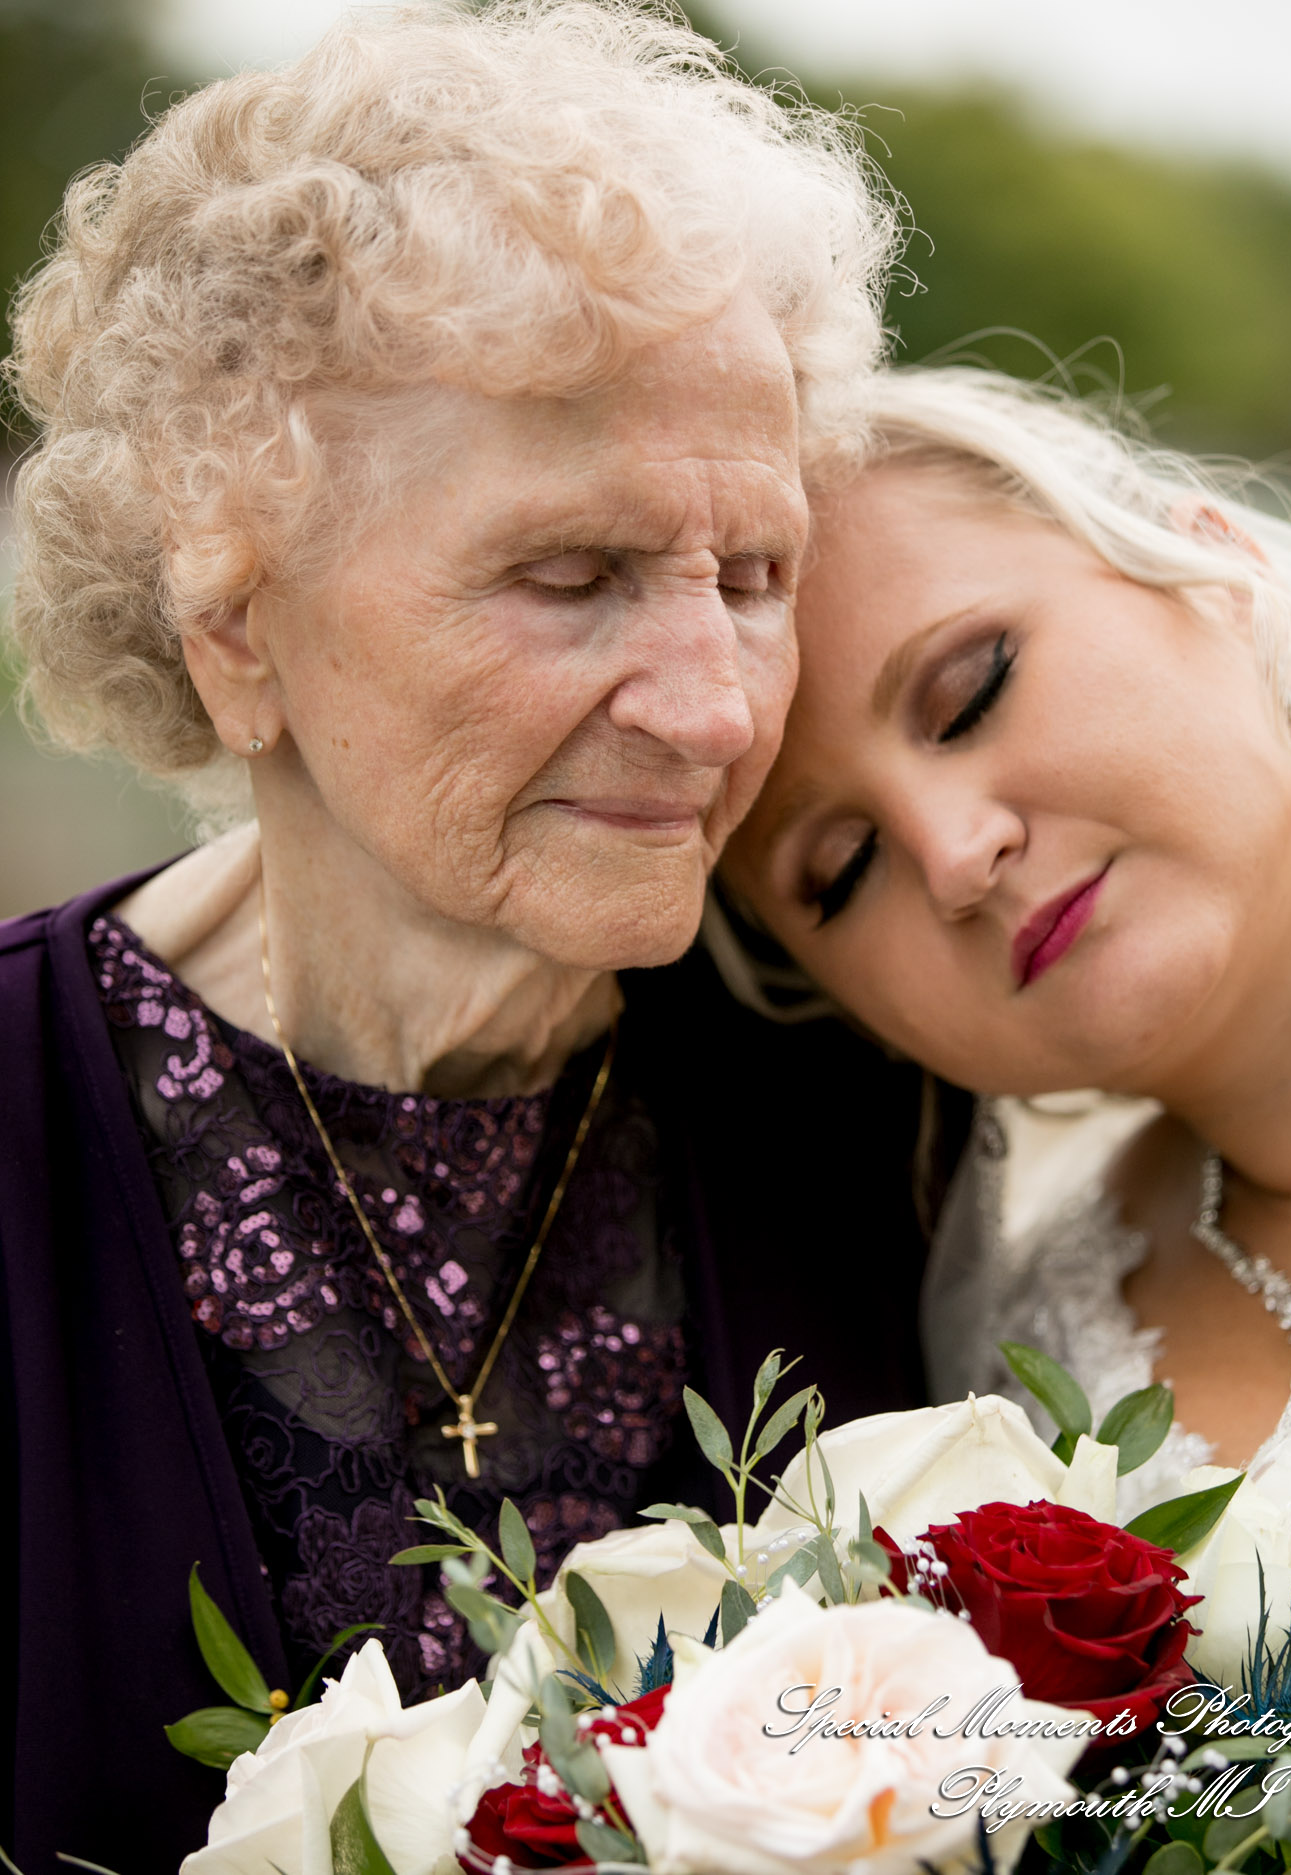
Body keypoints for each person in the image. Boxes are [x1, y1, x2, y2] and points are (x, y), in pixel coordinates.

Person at [0, 10, 970, 1864]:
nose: (710, 710)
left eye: (754, 576)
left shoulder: (875, 1094)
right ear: (234, 622)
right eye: (569, 576)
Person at [721, 362, 1291, 1686]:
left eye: (971, 691)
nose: (957, 853)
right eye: (840, 871)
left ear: (1215, 563)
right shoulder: (1008, 1350)